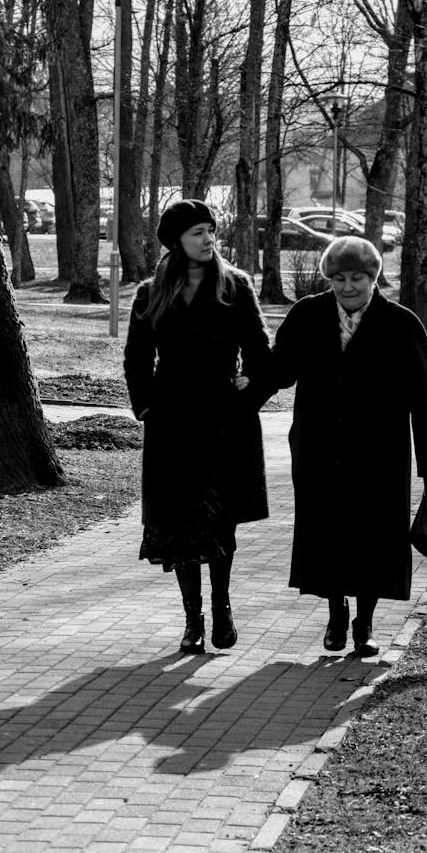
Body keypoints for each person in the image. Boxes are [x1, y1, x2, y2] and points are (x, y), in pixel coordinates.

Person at [270, 235, 427, 657]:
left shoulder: (402, 323)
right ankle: (335, 614)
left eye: (357, 278)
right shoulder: (308, 315)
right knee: (326, 532)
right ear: (328, 279)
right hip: (318, 448)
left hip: (379, 453)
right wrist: (240, 392)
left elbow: (424, 398)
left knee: (374, 536)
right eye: (338, 278)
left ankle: (364, 623)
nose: (348, 287)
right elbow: (278, 371)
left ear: (374, 277)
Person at [124, 199, 272, 654]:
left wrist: (250, 392)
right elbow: (136, 356)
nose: (209, 239)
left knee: (219, 521)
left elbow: (262, 353)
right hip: (171, 424)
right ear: (176, 242)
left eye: (211, 230)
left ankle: (222, 607)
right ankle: (193, 620)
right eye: (197, 233)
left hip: (224, 422)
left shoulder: (235, 285)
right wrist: (145, 406)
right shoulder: (151, 293)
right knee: (178, 523)